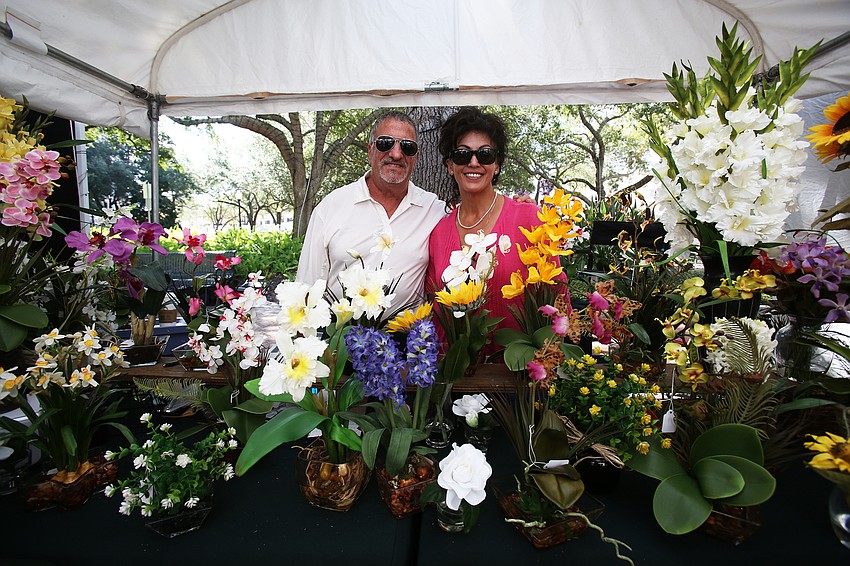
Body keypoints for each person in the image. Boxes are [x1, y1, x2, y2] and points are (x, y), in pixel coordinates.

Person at [296, 111, 445, 314]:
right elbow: (306, 286)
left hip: (408, 340)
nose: (396, 154)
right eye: (385, 143)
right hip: (342, 339)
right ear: (370, 150)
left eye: (407, 147)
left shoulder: (434, 210)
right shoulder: (331, 207)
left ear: (416, 157)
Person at [426, 107, 544, 340]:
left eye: (485, 154)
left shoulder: (529, 218)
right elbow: (435, 308)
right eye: (462, 154)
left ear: (497, 164)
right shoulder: (439, 232)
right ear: (450, 165)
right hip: (455, 371)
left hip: (517, 370)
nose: (473, 162)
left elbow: (557, 298)